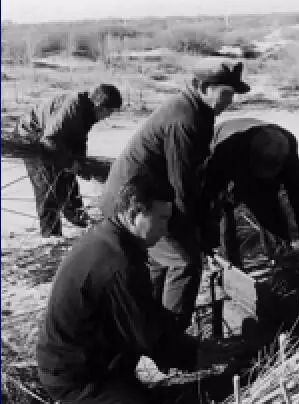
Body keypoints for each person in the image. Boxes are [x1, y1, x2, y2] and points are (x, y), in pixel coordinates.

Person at [100, 58, 249, 331]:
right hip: (133, 204)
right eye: (225, 94)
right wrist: (193, 231)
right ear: (201, 87)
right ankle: (172, 342)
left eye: (232, 95)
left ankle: (150, 330)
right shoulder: (186, 118)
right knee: (184, 262)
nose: (229, 101)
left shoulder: (198, 112)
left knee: (161, 260)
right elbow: (182, 185)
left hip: (141, 198)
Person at [36, 174, 200, 404]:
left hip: (92, 361)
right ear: (134, 214)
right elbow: (148, 336)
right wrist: (197, 354)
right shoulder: (118, 264)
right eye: (161, 219)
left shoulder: (109, 237)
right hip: (77, 377)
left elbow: (146, 313)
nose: (165, 230)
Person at [201, 118, 299, 268]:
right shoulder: (225, 151)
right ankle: (228, 265)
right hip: (226, 154)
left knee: (269, 207)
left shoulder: (288, 149)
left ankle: (282, 257)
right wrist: (207, 239)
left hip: (252, 158)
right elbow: (210, 196)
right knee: (223, 209)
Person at [17, 84, 122, 237]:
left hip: (54, 138)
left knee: (68, 177)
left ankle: (78, 218)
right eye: (109, 111)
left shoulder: (87, 111)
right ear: (100, 106)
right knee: (48, 187)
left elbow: (77, 139)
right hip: (32, 135)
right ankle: (51, 237)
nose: (109, 116)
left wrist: (82, 165)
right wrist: (70, 163)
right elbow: (50, 140)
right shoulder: (73, 107)